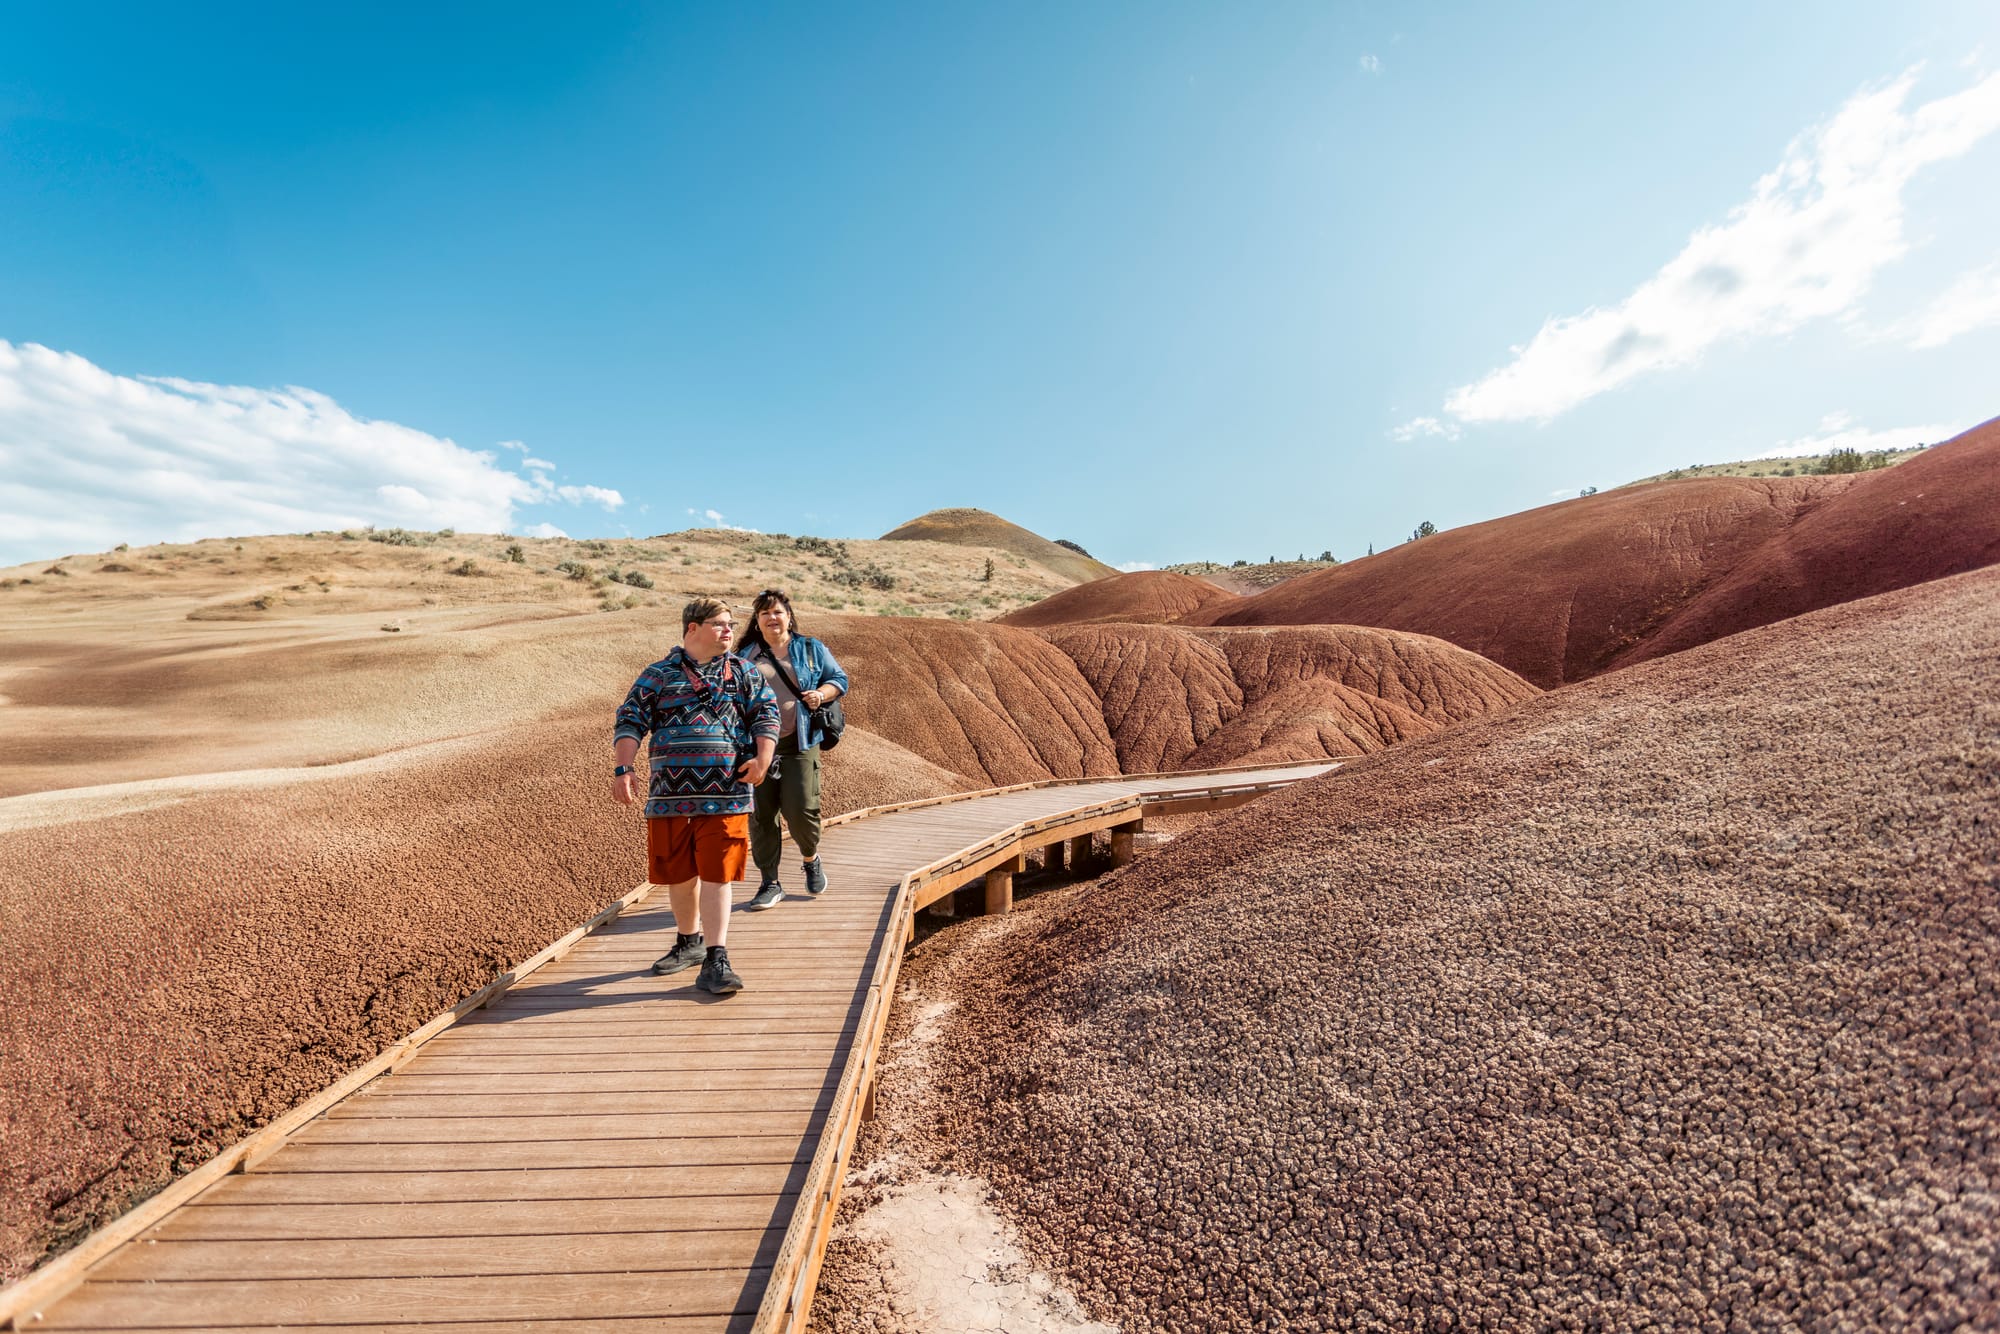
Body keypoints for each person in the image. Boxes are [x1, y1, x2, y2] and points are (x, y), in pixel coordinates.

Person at [612, 596, 779, 995]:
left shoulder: (744, 672)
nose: (729, 630)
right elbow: (630, 718)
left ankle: (717, 957)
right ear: (693, 628)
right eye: (720, 623)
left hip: (727, 793)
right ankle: (689, 941)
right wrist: (624, 768)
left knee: (718, 874)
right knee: (679, 875)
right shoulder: (658, 674)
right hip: (669, 794)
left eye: (730, 624)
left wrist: (763, 758)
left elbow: (766, 714)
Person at [734, 588, 850, 909]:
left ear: (789, 616)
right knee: (761, 816)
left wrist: (821, 695)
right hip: (756, 747)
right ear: (757, 621)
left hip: (800, 741)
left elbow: (839, 678)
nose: (772, 618)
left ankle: (810, 858)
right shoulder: (744, 657)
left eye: (778, 612)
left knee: (800, 810)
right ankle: (770, 883)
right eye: (765, 614)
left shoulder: (810, 649)